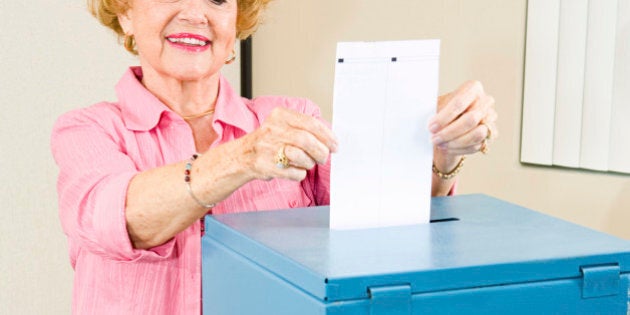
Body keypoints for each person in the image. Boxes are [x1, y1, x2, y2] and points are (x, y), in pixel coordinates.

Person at [51, 0, 498, 313]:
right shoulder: (88, 130)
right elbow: (124, 219)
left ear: (235, 28)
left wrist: (438, 148)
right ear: (124, 13)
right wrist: (241, 158)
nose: (194, 13)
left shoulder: (292, 120)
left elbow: (383, 224)